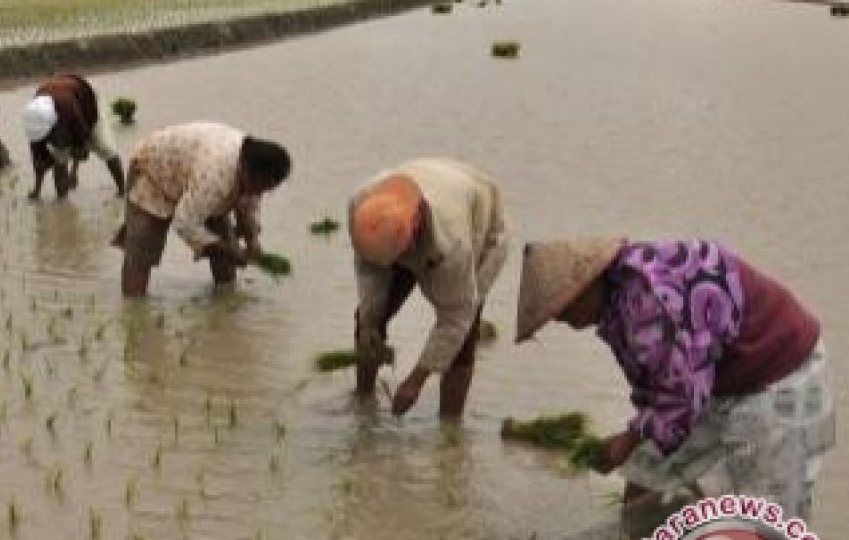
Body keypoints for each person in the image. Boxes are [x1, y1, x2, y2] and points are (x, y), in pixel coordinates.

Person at [515, 238, 835, 519]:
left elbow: (680, 397)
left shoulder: (648, 301)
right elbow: (656, 385)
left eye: (560, 310)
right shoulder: (618, 301)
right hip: (713, 379)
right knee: (647, 472)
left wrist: (624, 443)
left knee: (768, 512)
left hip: (781, 370)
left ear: (582, 290)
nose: (560, 320)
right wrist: (633, 439)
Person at [349, 159, 510, 417]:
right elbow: (369, 271)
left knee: (463, 339)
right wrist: (369, 323)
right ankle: (362, 407)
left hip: (481, 223)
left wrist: (415, 381)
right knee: (368, 321)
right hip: (420, 196)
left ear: (413, 236)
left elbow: (456, 317)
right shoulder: (362, 205)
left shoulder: (454, 243)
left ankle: (450, 430)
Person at [112, 122, 290, 297]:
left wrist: (253, 242)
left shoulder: (252, 166)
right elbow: (184, 223)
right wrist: (227, 250)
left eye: (268, 189)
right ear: (247, 171)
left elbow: (249, 206)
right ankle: (133, 310)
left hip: (193, 172)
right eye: (261, 187)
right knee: (142, 250)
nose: (261, 193)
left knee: (225, 252)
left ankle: (225, 306)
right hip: (154, 171)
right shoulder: (215, 177)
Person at [22, 75, 124, 200]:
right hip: (63, 97)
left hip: (87, 99)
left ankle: (123, 191)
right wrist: (37, 191)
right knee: (60, 158)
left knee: (105, 147)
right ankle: (62, 198)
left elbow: (82, 143)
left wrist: (74, 171)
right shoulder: (33, 120)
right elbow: (38, 161)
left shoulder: (70, 111)